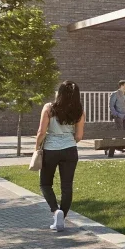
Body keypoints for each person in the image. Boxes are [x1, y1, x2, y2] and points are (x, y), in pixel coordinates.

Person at [34, 80, 85, 231]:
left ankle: (56, 211)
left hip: (50, 150)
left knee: (45, 183)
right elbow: (79, 136)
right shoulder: (79, 111)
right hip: (70, 150)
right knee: (67, 186)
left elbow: (41, 132)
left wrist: (36, 147)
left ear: (60, 93)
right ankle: (61, 218)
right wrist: (68, 140)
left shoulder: (49, 108)